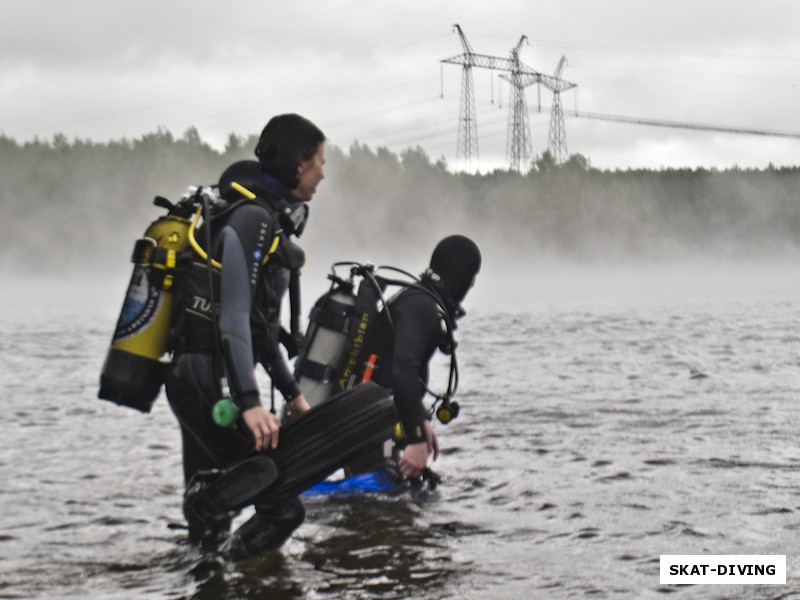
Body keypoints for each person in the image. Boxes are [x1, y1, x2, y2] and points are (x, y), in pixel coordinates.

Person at [165, 113, 325, 558]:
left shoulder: (260, 215)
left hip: (196, 377)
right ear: (298, 165)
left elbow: (259, 331)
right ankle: (235, 580)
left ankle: (203, 580)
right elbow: (234, 319)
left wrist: (292, 396)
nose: (322, 172)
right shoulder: (253, 218)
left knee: (210, 517)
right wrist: (252, 404)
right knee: (281, 509)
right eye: (318, 162)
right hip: (205, 383)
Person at [369, 235, 481, 480]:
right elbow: (403, 371)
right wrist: (418, 438)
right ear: (461, 275)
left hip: (373, 417)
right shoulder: (422, 307)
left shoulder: (415, 298)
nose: (472, 285)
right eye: (472, 276)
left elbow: (390, 370)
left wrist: (418, 419)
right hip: (368, 425)